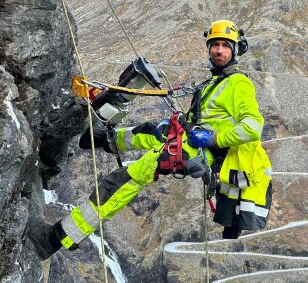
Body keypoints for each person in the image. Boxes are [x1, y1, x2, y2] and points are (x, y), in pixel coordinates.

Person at [28, 20, 272, 259]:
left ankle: (55, 239)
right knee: (152, 129)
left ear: (235, 49)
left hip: (199, 152)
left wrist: (213, 138)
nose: (219, 50)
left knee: (121, 181)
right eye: (215, 44)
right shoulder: (218, 81)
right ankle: (103, 140)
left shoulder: (238, 83)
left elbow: (252, 128)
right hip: (191, 141)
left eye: (225, 45)